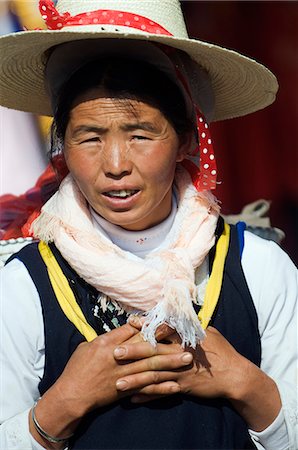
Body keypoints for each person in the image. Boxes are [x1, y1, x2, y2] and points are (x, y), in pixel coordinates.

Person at [0, 1, 297, 449]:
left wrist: (246, 384)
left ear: (186, 141)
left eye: (140, 134)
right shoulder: (22, 283)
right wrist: (64, 402)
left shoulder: (259, 267)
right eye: (90, 137)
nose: (116, 165)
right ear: (62, 148)